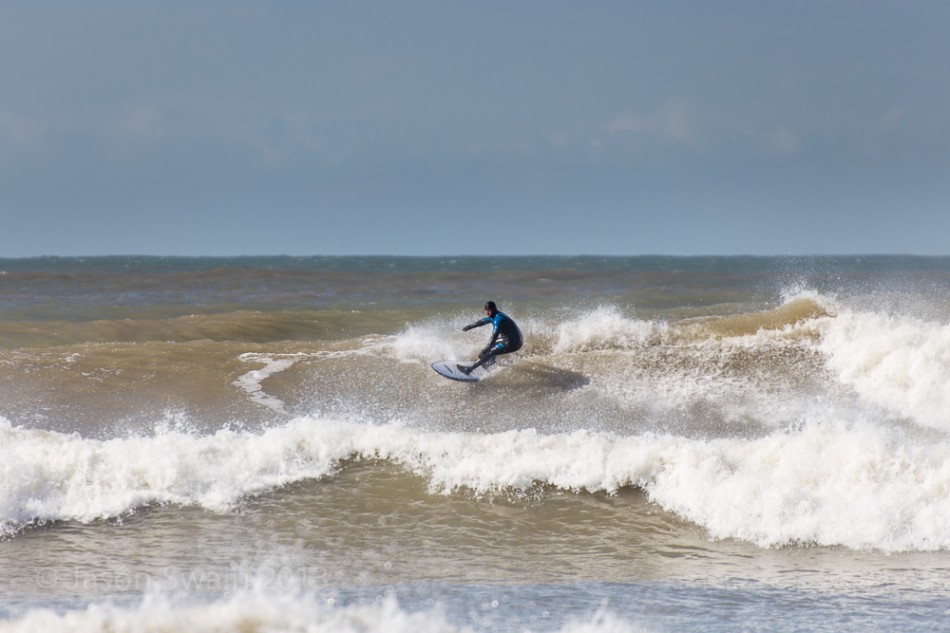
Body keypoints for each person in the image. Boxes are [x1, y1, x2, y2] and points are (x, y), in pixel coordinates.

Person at [459, 300, 523, 374]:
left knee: (491, 350)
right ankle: (489, 364)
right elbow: (483, 321)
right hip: (510, 338)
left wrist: (486, 349)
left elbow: (494, 336)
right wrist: (470, 326)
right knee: (491, 347)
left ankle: (469, 369)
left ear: (493, 309)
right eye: (486, 310)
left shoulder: (499, 319)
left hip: (514, 342)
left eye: (489, 311)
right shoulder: (494, 315)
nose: (487, 313)